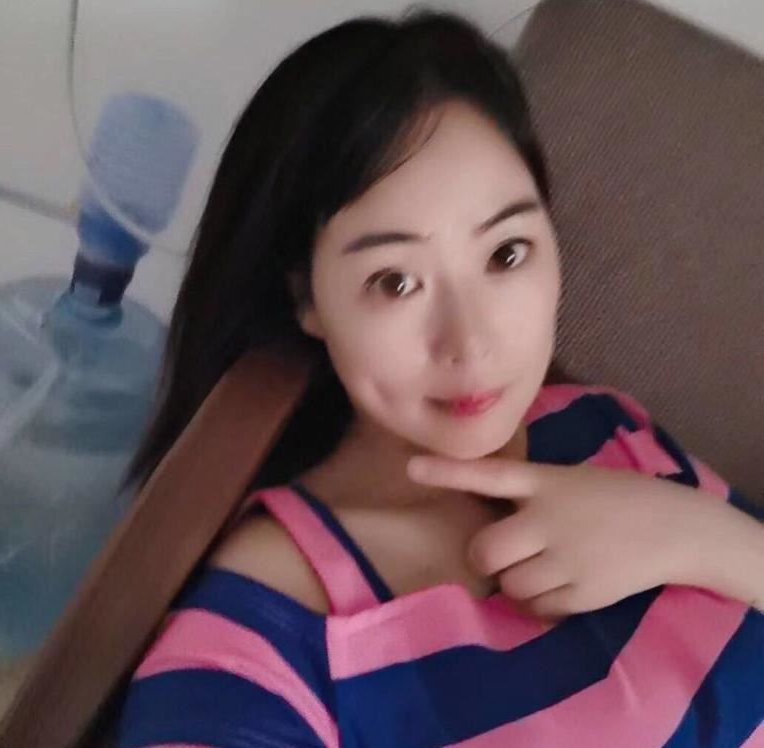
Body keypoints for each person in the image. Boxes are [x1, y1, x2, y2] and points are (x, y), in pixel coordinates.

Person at [115, 9, 764, 748]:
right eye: (394, 281)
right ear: (307, 299)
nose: (471, 341)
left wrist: (703, 538)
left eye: (506, 254)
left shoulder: (606, 426)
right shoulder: (270, 633)